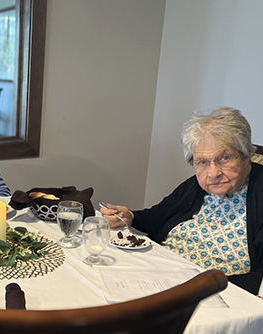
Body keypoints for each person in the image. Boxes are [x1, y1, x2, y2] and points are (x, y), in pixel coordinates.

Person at [101, 107, 263, 294]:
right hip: (157, 277)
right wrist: (129, 217)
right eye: (202, 162)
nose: (213, 173)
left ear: (246, 155)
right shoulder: (195, 186)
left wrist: (199, 286)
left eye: (224, 158)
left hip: (212, 295)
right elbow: (157, 217)